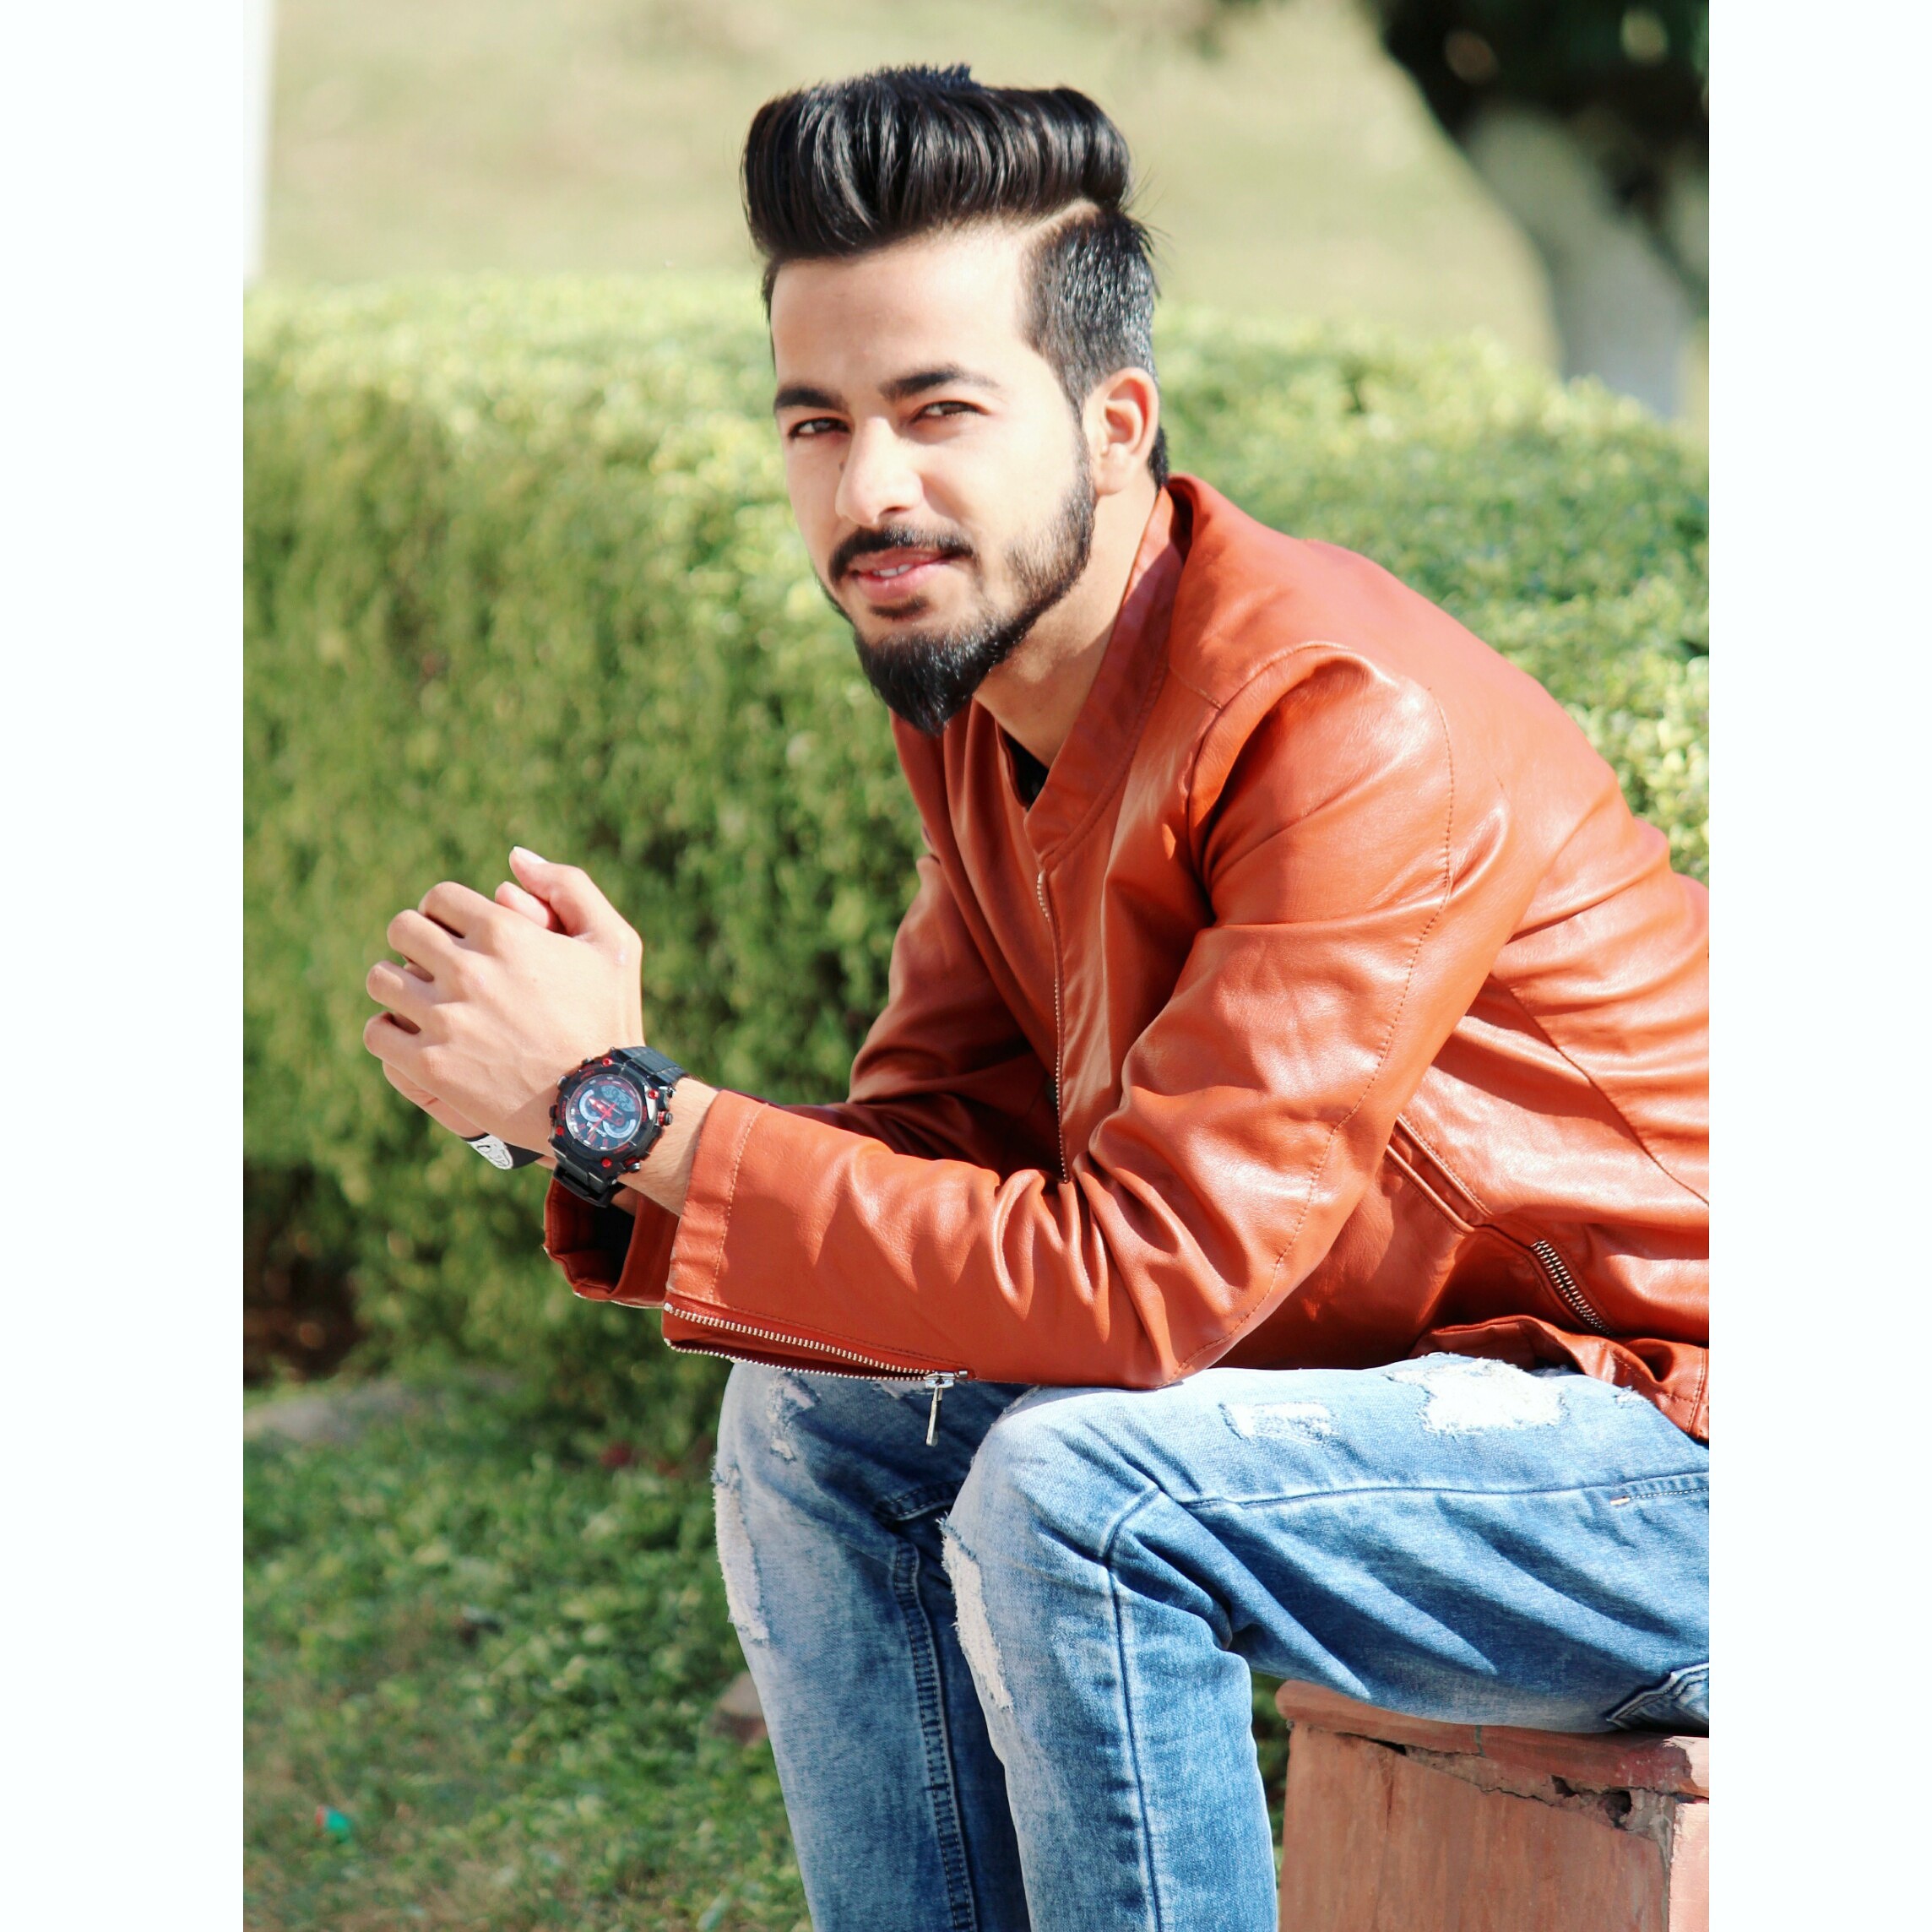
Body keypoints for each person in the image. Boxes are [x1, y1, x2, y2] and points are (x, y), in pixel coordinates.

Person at [362, 66, 1708, 1932]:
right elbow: (942, 1160)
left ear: (1112, 422)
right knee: (818, 1413)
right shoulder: (989, 696)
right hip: (1422, 1412)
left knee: (1090, 1501)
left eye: (938, 413)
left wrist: (627, 1112)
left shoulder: (1337, 721)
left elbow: (1142, 1282)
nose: (870, 491)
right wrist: (579, 1112)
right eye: (816, 423)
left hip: (1682, 1453)